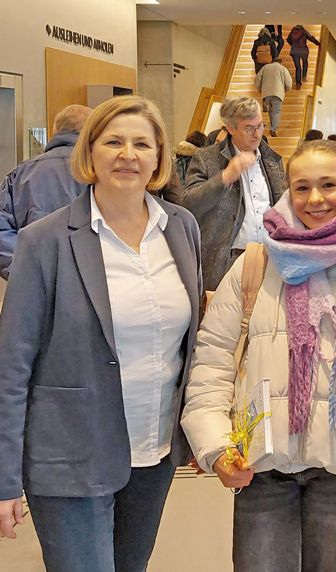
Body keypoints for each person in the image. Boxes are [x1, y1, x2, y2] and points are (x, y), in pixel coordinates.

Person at [181, 139, 336, 572]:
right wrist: (215, 446)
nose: (315, 199)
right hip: (262, 472)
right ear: (287, 191)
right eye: (302, 187)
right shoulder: (256, 263)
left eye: (328, 185)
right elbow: (212, 361)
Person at [0, 95, 202, 572]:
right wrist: (4, 479)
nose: (127, 154)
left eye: (140, 144)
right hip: (69, 450)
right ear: (89, 154)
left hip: (153, 452)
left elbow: (190, 344)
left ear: (158, 159)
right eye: (112, 142)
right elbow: (11, 368)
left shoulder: (183, 229)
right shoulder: (44, 241)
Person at [183, 96, 287, 292]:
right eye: (249, 128)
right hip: (227, 258)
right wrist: (225, 177)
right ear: (230, 128)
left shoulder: (272, 159)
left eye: (261, 126)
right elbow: (189, 204)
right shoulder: (206, 158)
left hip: (270, 256)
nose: (257, 134)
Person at [0, 104, 92, 280]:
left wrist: (23, 269)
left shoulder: (20, 174)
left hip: (32, 282)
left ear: (55, 130)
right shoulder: (100, 171)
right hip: (91, 281)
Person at [254, 57, 293, 138]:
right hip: (278, 93)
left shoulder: (265, 67)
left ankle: (273, 125)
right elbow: (289, 83)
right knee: (276, 111)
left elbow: (257, 78)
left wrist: (259, 89)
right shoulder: (283, 69)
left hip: (266, 93)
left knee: (270, 111)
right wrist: (285, 90)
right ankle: (274, 128)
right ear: (281, 62)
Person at [286, 24, 320, 88]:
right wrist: (318, 43)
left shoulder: (292, 32)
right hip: (303, 51)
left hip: (294, 51)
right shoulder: (304, 31)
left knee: (298, 67)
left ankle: (298, 83)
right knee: (305, 62)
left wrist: (293, 46)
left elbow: (288, 40)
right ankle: (304, 76)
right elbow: (311, 38)